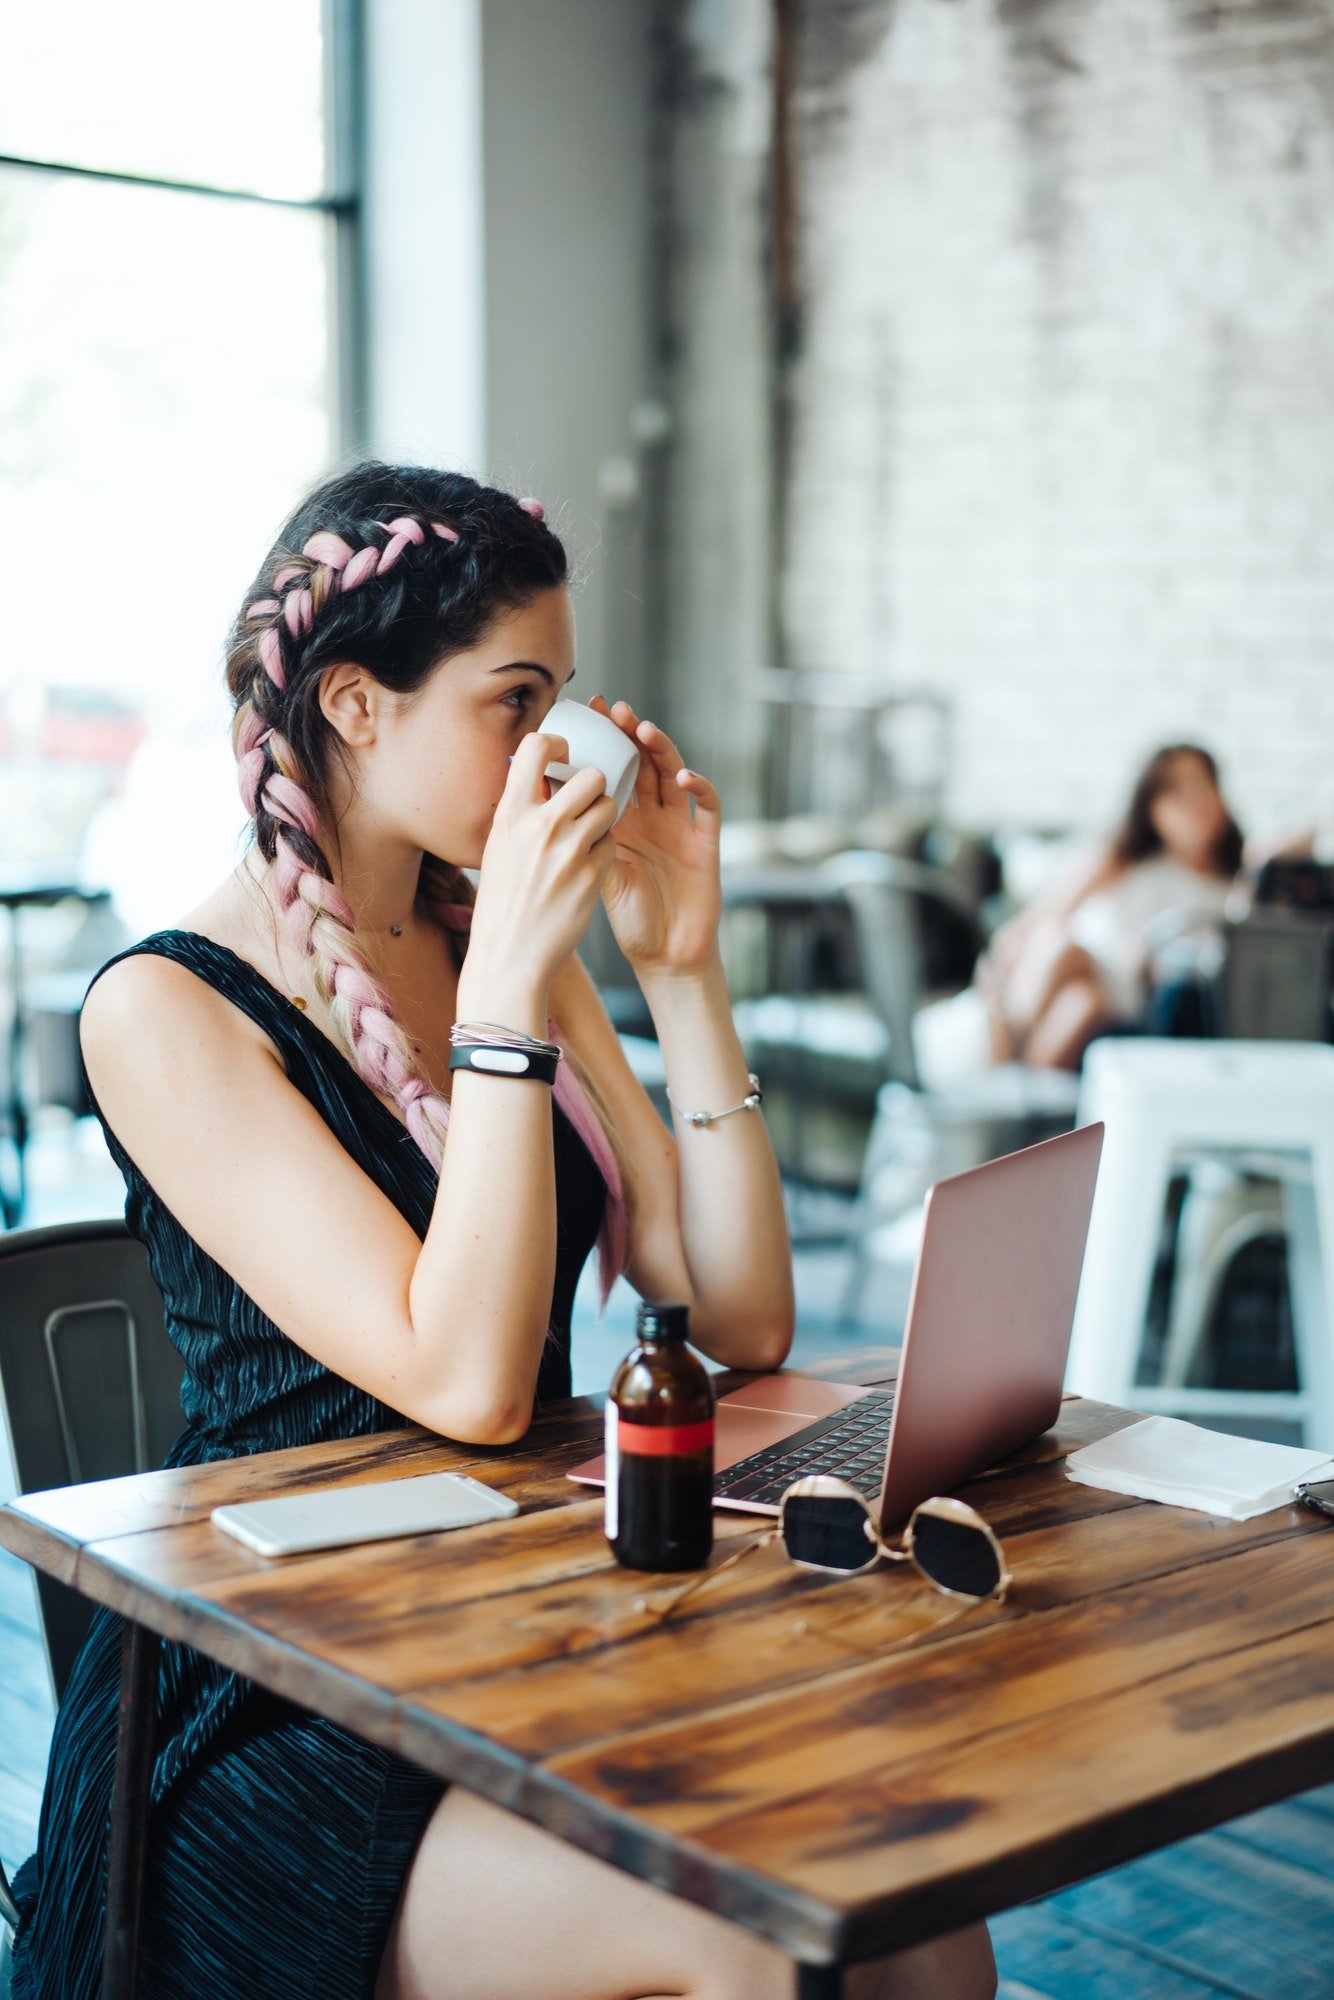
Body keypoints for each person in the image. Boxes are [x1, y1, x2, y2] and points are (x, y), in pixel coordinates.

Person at [10, 464, 996, 2000]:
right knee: (744, 1944)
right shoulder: (166, 1008)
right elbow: (465, 1381)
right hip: (283, 1704)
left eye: (566, 698)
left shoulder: (498, 940)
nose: (560, 749)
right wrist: (503, 1006)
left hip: (518, 1625)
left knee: (921, 1926)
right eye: (514, 699)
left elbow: (736, 1318)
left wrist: (678, 970)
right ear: (353, 705)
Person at [978, 744, 1244, 1071]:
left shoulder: (1236, 881)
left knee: (1084, 1004)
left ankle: (1008, 1073)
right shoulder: (1121, 860)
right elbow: (1040, 917)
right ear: (1152, 807)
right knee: (1065, 960)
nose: (1195, 800)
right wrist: (1001, 966)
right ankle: (1005, 1053)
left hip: (1129, 996)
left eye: (1203, 784)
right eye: (1176, 790)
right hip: (1075, 968)